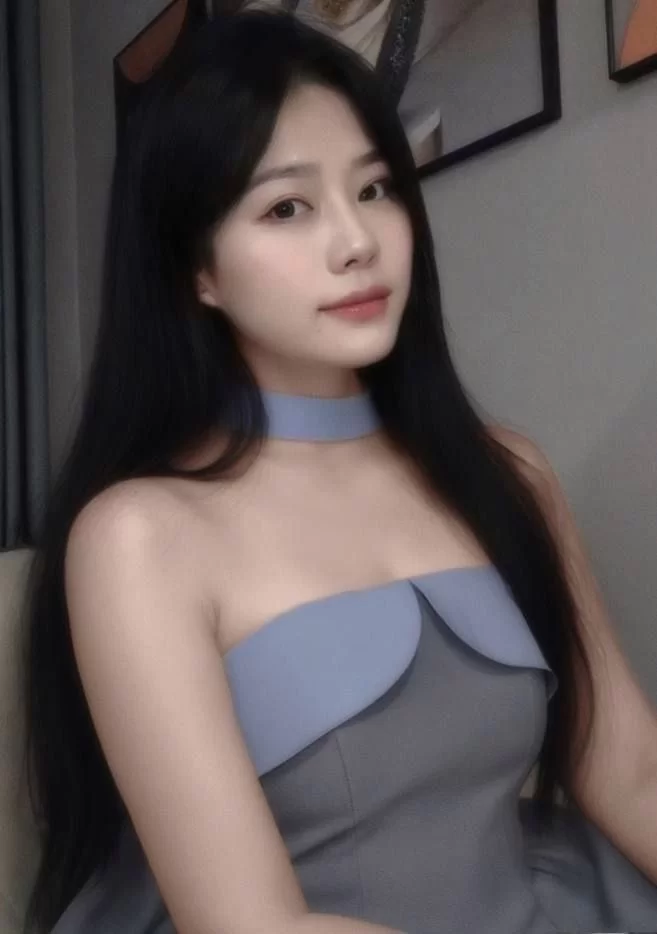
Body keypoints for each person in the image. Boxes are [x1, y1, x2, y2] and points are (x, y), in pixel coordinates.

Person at [19, 8, 657, 934]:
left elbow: (629, 771)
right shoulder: (138, 538)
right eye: (286, 207)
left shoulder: (506, 473)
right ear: (197, 269)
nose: (356, 241)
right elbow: (249, 924)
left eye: (375, 188)